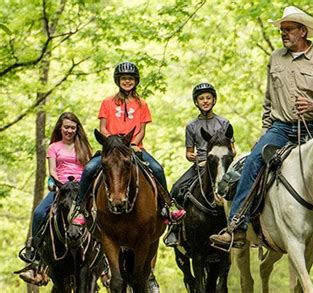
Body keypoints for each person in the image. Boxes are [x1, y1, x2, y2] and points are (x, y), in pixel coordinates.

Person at [209, 6, 313, 274]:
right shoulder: (275, 58)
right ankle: (236, 227)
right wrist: (265, 131)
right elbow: (268, 100)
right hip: (281, 127)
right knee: (251, 164)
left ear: (303, 31)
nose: (283, 34)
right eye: (282, 30)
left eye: (288, 30)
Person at [69, 61, 185, 225]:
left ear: (135, 81)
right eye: (124, 78)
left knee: (158, 169)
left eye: (130, 78)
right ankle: (80, 209)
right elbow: (102, 128)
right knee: (89, 169)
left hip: (134, 147)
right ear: (118, 80)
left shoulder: (142, 104)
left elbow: (142, 130)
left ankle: (167, 206)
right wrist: (112, 143)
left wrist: (132, 144)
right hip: (111, 148)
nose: (127, 81)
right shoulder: (107, 102)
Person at [17, 112, 92, 283]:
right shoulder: (54, 147)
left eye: (73, 127)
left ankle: (106, 264)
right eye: (66, 127)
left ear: (77, 129)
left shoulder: (83, 147)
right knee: (39, 213)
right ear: (61, 127)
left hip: (81, 190)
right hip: (61, 188)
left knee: (100, 215)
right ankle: (34, 259)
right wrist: (58, 185)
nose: (69, 130)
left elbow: (87, 169)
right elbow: (52, 171)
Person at [164, 82, 235, 247]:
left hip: (221, 163)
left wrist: (222, 157)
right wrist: (195, 158)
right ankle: (176, 228)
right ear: (196, 102)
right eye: (201, 98)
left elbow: (232, 149)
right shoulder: (191, 126)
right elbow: (189, 153)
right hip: (201, 163)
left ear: (214, 100)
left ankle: (242, 226)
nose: (205, 101)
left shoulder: (224, 123)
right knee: (176, 188)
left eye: (208, 98)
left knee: (242, 187)